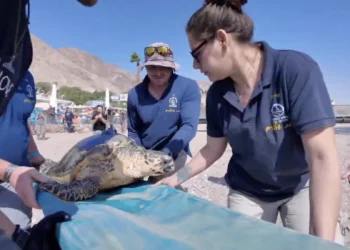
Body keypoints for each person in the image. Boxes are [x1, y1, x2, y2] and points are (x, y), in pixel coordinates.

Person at [154, 0, 343, 245]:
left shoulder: (295, 70)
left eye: (196, 54)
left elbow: (322, 157)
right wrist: (175, 178)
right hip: (247, 192)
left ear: (222, 39)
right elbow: (213, 148)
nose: (194, 65)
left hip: (299, 188)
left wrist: (323, 241)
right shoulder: (216, 94)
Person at [0, 0, 98, 248]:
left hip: (17, 176)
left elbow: (22, 120)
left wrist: (34, 156)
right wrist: (9, 171)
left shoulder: (23, 71)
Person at [127, 42, 201, 190]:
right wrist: (142, 156)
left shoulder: (188, 87)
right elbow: (133, 131)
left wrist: (167, 153)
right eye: (152, 67)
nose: (158, 72)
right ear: (145, 67)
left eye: (164, 67)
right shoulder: (134, 94)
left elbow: (189, 126)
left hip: (175, 149)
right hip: (144, 152)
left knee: (163, 187)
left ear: (172, 67)